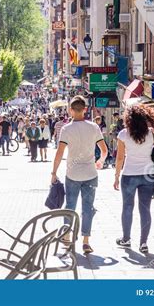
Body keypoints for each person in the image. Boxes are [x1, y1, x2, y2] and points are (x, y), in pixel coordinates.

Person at [51, 96, 108, 254]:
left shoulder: (66, 129)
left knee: (70, 206)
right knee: (87, 208)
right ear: (85, 109)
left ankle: (67, 237)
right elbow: (104, 150)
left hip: (73, 174)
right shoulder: (94, 127)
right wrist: (100, 162)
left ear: (70, 110)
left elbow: (59, 153)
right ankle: (86, 241)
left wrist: (54, 173)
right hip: (90, 172)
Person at [113, 104, 154, 254]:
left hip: (129, 175)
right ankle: (143, 243)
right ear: (145, 118)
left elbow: (120, 158)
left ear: (128, 119)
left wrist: (116, 176)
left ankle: (126, 239)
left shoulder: (123, 134)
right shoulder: (152, 133)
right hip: (148, 175)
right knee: (145, 209)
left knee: (127, 207)